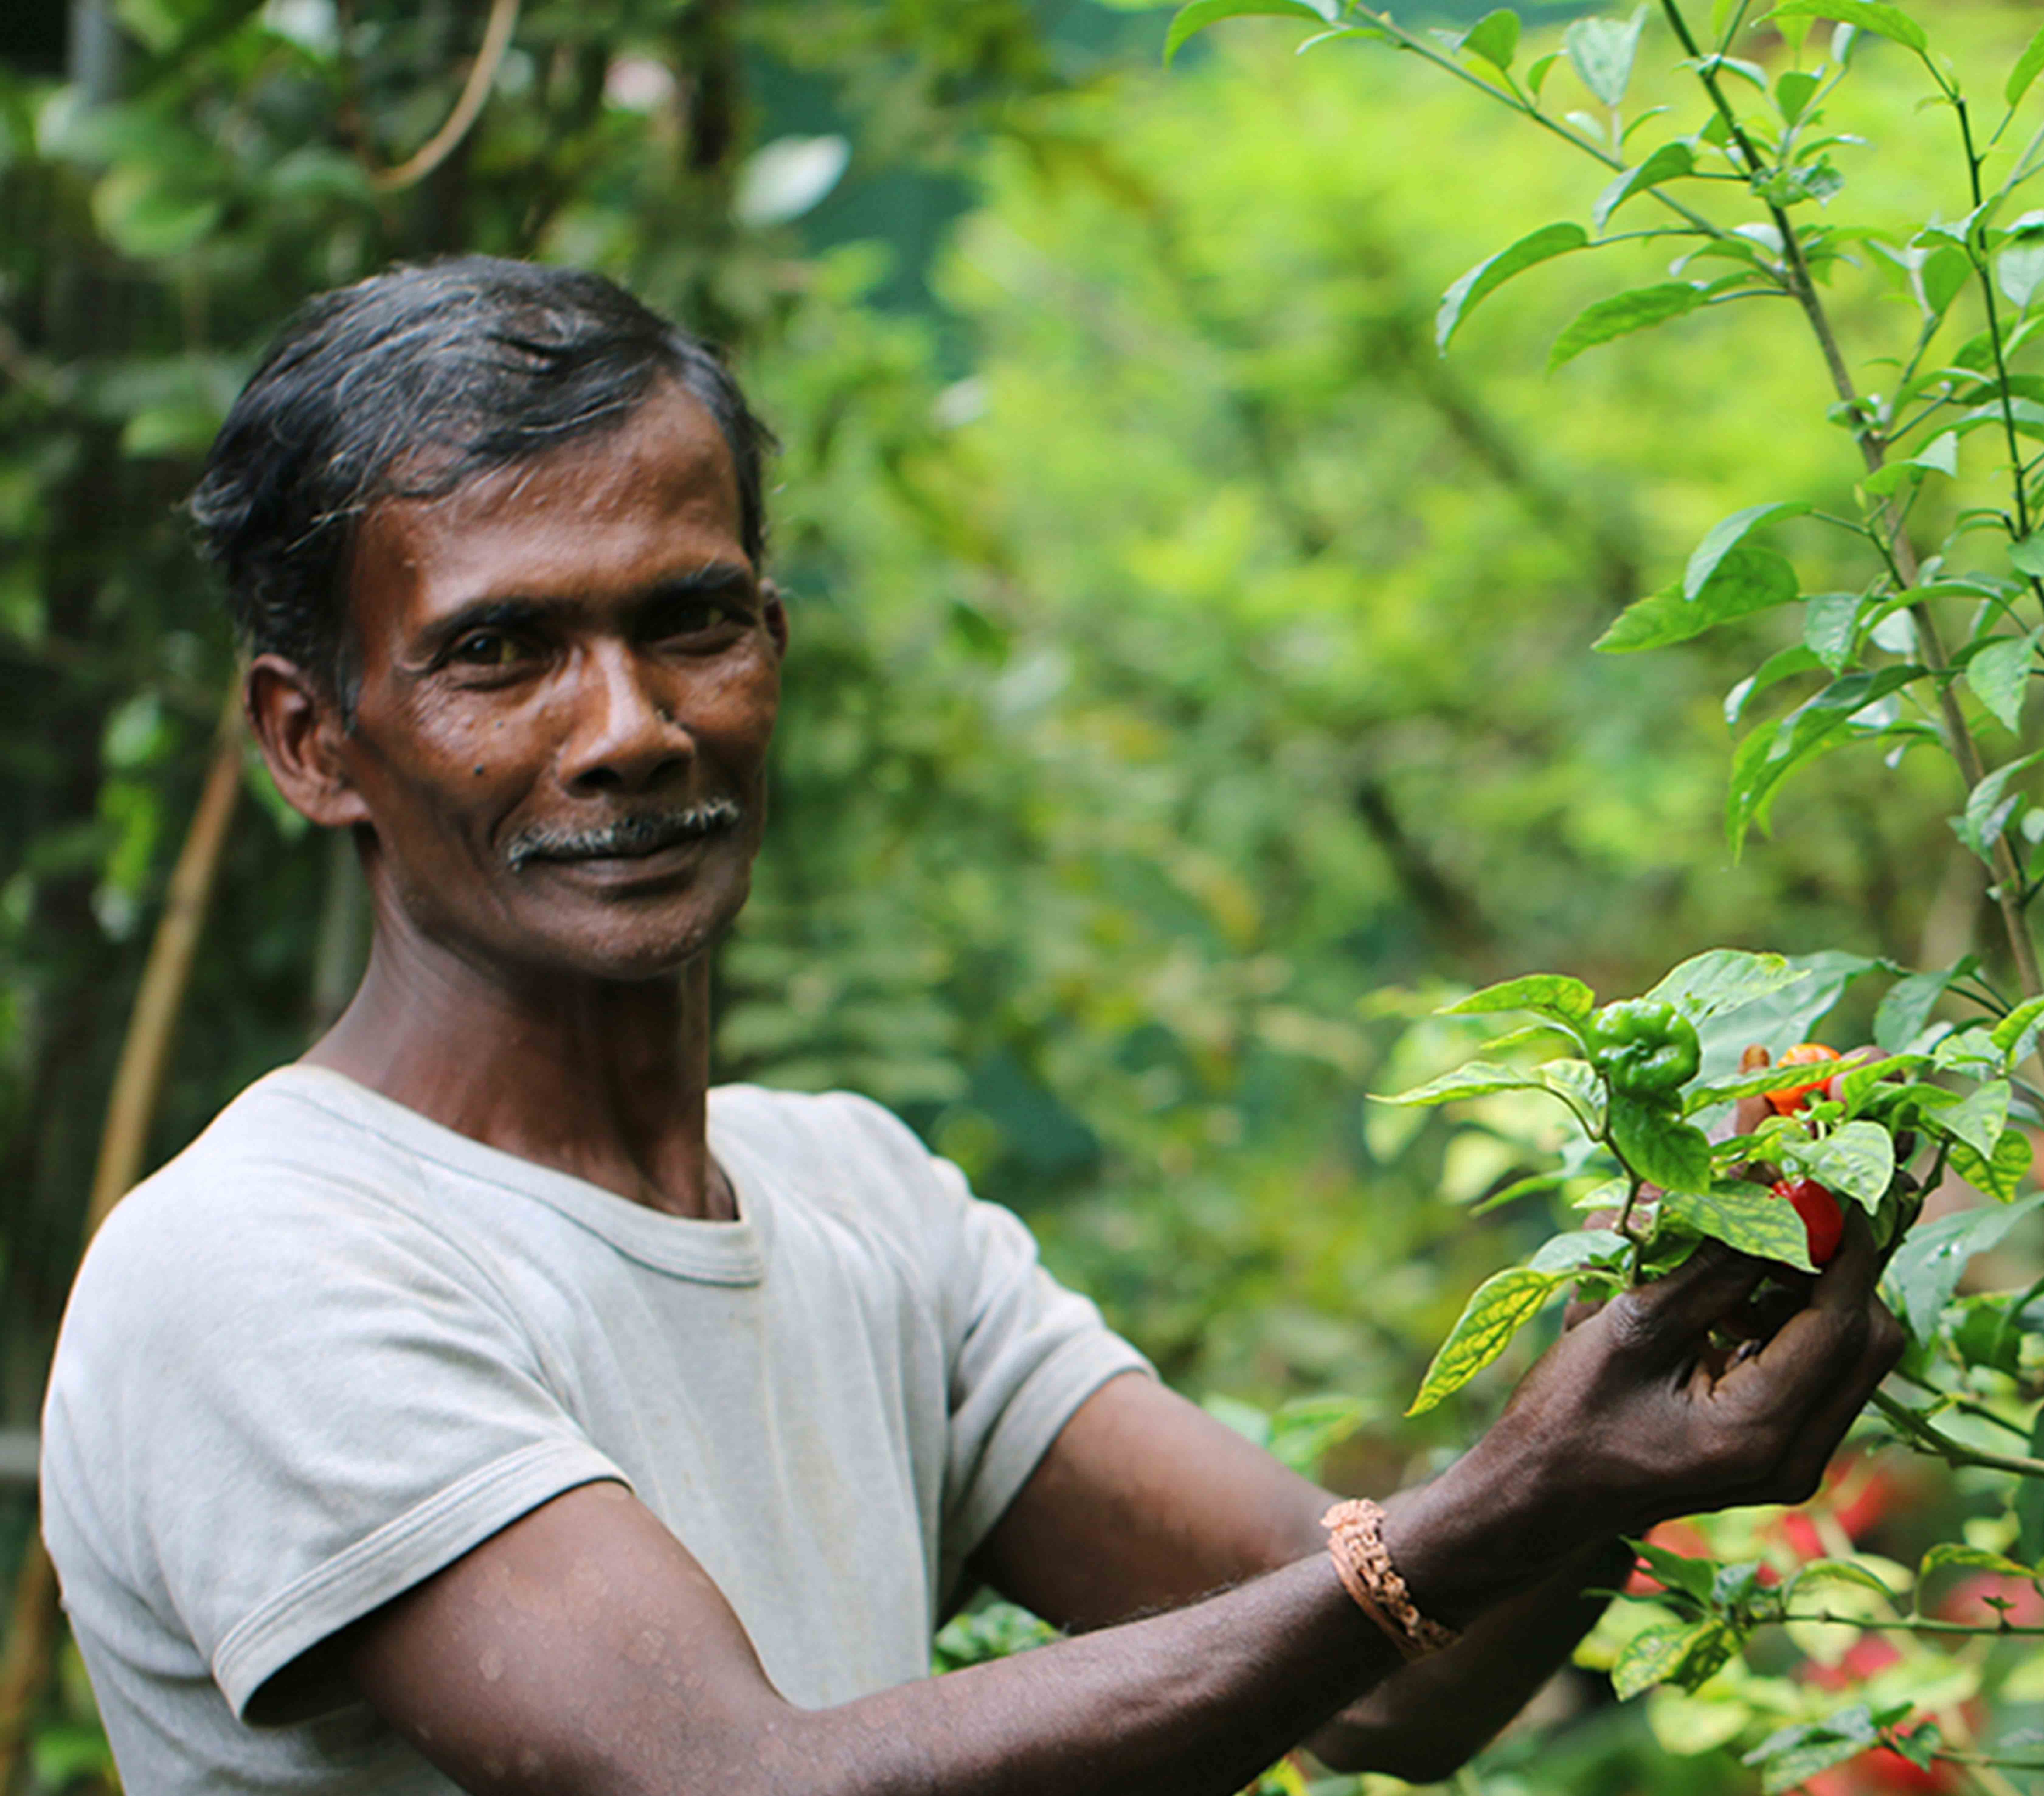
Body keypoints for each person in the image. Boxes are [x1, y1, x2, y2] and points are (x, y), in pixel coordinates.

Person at [39, 257, 1903, 1796]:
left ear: (772, 642)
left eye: (690, 620)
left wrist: (1669, 1345)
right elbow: (725, 1788)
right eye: (499, 651)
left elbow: (1386, 1677)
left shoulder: (857, 1200)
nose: (627, 724)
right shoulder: (257, 1261)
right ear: (312, 738)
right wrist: (1507, 1503)